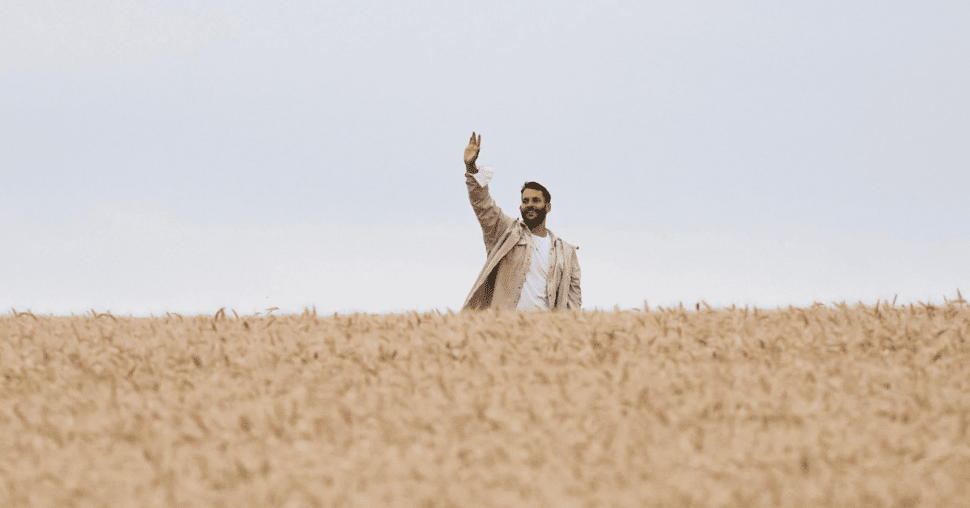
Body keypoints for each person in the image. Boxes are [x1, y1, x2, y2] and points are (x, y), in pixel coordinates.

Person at [461, 131, 581, 311]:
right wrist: (471, 168)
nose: (529, 205)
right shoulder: (506, 233)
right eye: (525, 201)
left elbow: (573, 301)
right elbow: (483, 205)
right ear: (520, 207)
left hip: (544, 333)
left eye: (536, 201)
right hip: (505, 329)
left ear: (548, 207)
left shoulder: (566, 253)